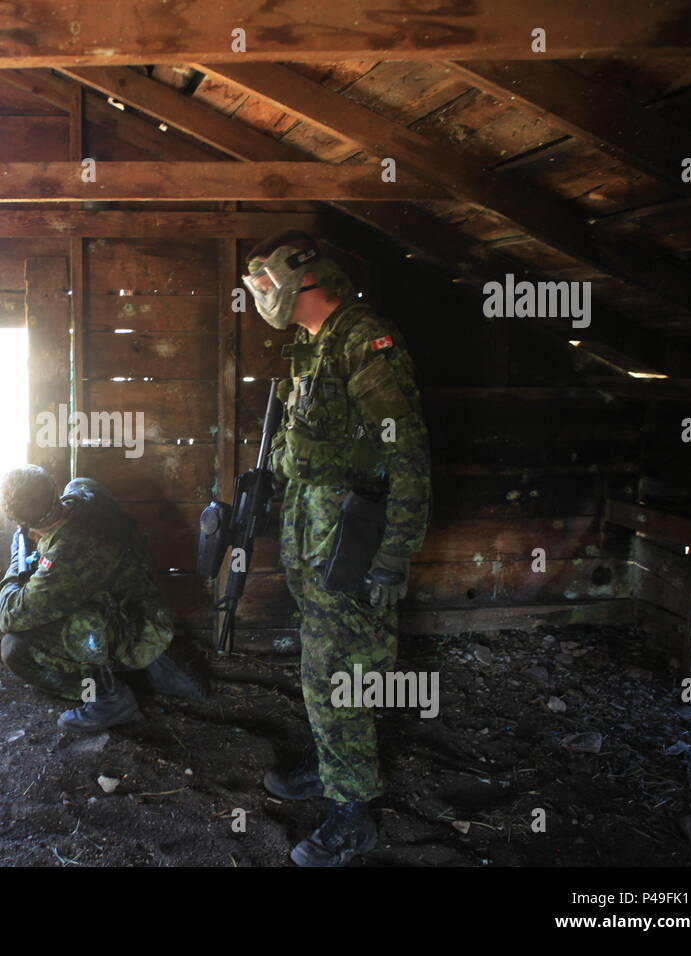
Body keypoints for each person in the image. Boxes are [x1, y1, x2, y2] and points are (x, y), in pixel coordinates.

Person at [244, 230, 430, 867]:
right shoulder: (311, 344)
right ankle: (332, 767)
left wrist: (395, 551)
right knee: (319, 665)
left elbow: (406, 449)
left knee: (341, 671)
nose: (263, 295)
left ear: (306, 276)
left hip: (352, 534)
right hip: (313, 528)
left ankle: (353, 814)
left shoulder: (364, 338)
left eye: (268, 283)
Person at [0, 466, 203, 731]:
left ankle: (108, 697)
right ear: (54, 489)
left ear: (22, 523)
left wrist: (16, 561)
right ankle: (151, 666)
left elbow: (10, 616)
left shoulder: (67, 554)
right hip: (147, 609)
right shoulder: (86, 491)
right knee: (77, 605)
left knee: (14, 649)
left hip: (135, 629)